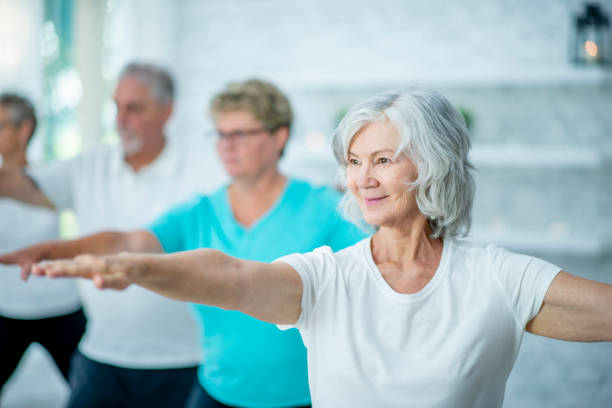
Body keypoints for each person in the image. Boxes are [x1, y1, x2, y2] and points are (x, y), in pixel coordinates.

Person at [1, 79, 366, 408]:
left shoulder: (322, 207)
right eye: (221, 135)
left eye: (240, 134)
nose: (227, 146)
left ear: (278, 137)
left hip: (301, 396)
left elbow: (376, 270)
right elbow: (130, 239)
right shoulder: (200, 211)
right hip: (216, 391)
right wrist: (54, 249)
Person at [0, 63, 224, 407]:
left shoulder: (205, 169)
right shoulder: (91, 164)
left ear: (167, 111)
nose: (120, 119)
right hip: (101, 357)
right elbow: (25, 186)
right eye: (117, 107)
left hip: (182, 360)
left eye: (134, 109)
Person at [0, 93, 86, 397]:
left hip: (60, 306)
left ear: (24, 130)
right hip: (7, 309)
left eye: (1, 126)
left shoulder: (52, 178)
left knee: (88, 391)